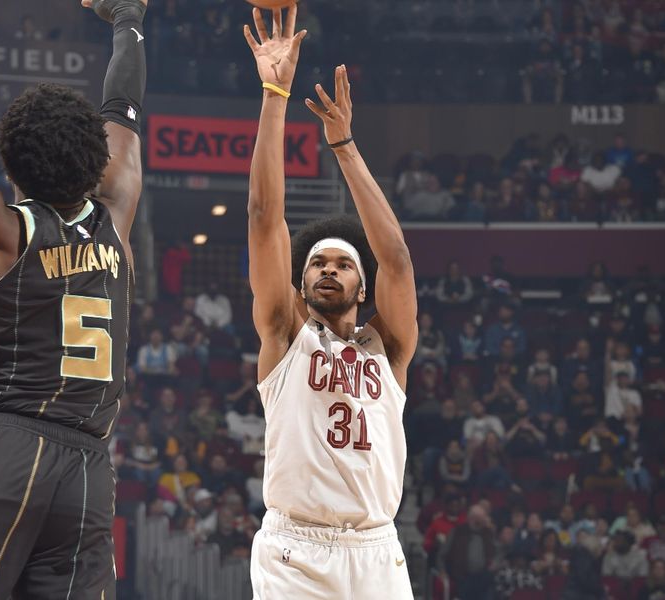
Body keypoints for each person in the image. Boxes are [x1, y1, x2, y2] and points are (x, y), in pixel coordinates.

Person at [0, 0, 146, 597]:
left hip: (7, 446)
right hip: (88, 467)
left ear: (11, 161)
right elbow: (122, 110)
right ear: (97, 160)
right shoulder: (118, 215)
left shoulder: (2, 227)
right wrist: (128, 18)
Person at [243, 7, 417, 598]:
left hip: (376, 548)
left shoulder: (388, 348)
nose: (328, 268)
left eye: (343, 263)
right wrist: (275, 94)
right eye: (317, 261)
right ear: (300, 280)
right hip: (298, 550)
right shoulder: (285, 334)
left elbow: (394, 257)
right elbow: (265, 220)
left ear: (362, 287)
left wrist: (343, 145)